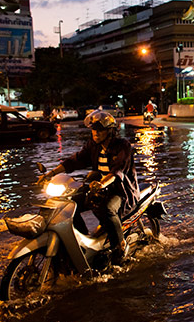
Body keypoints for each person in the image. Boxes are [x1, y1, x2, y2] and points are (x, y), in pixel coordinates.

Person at [37, 110, 138, 260]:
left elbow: (118, 171)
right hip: (98, 187)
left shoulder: (123, 146)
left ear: (110, 131)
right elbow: (75, 160)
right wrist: (50, 174)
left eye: (100, 130)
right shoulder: (93, 145)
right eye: (93, 130)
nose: (96, 133)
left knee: (108, 208)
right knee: (69, 205)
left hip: (120, 190)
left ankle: (120, 245)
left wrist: (102, 183)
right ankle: (84, 240)